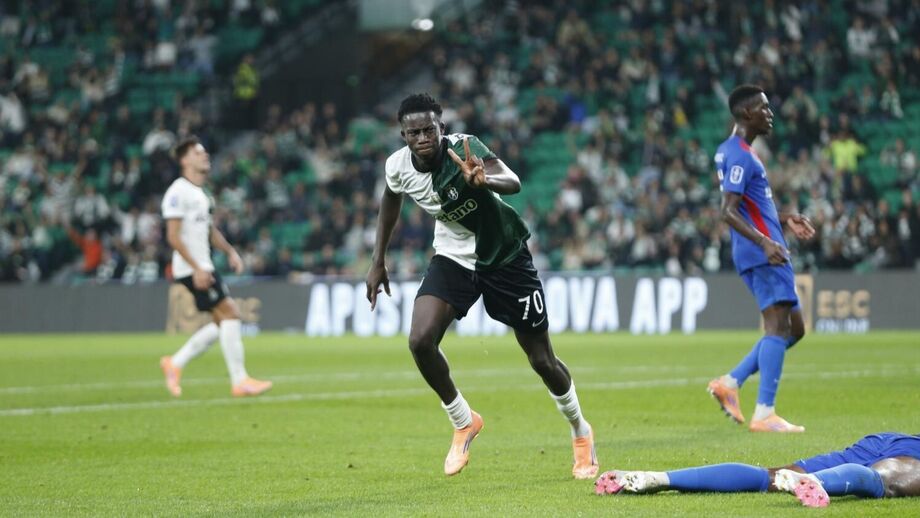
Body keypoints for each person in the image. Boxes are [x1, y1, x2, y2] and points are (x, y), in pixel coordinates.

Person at [366, 93, 598, 478]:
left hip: (504, 254)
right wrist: (378, 260)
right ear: (403, 135)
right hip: (454, 254)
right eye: (413, 132)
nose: (422, 137)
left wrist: (484, 177)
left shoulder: (466, 147)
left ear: (442, 127)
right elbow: (391, 199)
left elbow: (513, 181)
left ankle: (580, 431)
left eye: (429, 129)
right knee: (420, 340)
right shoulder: (397, 166)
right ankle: (463, 420)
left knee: (542, 361)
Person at [707, 85, 816, 433]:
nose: (770, 114)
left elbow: (756, 207)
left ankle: (731, 382)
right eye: (764, 108)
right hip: (763, 253)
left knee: (793, 329)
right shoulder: (739, 155)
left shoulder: (736, 152)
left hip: (762, 247)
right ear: (746, 114)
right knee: (776, 327)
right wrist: (767, 241)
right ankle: (764, 413)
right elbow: (728, 211)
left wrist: (785, 219)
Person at [158, 136, 271, 398]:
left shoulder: (201, 195)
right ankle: (239, 380)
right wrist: (197, 267)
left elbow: (209, 231)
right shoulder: (178, 192)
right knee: (230, 314)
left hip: (204, 266)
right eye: (199, 153)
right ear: (185, 160)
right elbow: (173, 236)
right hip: (191, 268)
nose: (205, 156)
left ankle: (174, 363)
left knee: (224, 322)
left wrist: (230, 251)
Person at [594, 432, 920, 508]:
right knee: (887, 480)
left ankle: (662, 477)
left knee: (770, 477)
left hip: (882, 439)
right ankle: (815, 482)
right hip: (910, 450)